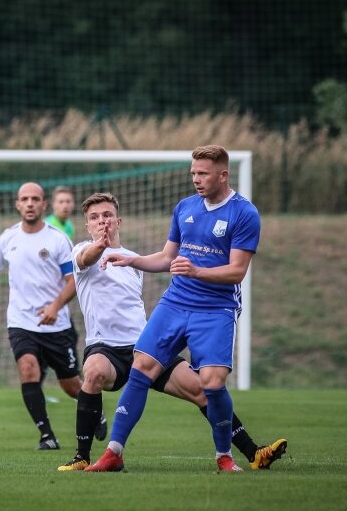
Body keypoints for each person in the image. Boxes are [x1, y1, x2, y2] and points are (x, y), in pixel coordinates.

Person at [57, 192, 286, 471]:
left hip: (143, 344)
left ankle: (254, 453)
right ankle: (82, 456)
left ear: (118, 221)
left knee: (203, 390)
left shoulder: (132, 260)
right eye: (94, 218)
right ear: (87, 226)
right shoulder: (81, 251)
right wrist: (99, 246)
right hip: (106, 347)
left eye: (107, 215)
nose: (101, 221)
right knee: (93, 373)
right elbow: (86, 257)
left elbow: (163, 262)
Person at [87, 145, 266, 473]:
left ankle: (224, 457)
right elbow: (167, 258)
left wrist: (196, 271)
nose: (196, 179)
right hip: (176, 302)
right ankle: (114, 452)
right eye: (193, 173)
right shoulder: (185, 207)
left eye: (203, 173)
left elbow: (237, 271)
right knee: (141, 365)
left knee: (212, 383)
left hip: (215, 309)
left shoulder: (244, 213)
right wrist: (131, 260)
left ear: (223, 175)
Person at [0, 182, 105, 450]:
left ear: (43, 205)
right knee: (28, 369)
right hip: (21, 322)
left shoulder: (57, 239)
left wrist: (55, 307)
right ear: (17, 204)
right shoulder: (8, 238)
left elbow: (73, 280)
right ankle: (47, 436)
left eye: (35, 199)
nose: (29, 203)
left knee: (71, 385)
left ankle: (97, 412)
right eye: (24, 199)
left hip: (56, 325)